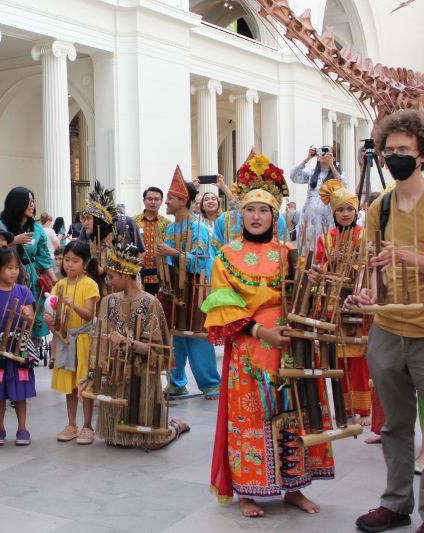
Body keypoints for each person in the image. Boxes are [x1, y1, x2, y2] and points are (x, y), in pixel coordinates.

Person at [206, 156, 333, 517]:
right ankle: (248, 491)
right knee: (249, 419)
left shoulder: (289, 253)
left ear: (275, 214)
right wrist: (262, 331)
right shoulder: (226, 257)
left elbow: (306, 297)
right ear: (240, 215)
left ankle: (294, 488)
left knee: (293, 414)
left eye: (264, 210)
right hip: (249, 349)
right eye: (251, 210)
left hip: (289, 346)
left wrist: (315, 284)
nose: (257, 216)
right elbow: (222, 307)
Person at [354, 109, 424, 533]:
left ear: (421, 155)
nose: (395, 157)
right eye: (390, 150)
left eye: (404, 150)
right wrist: (367, 291)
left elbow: (399, 257)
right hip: (388, 329)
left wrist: (411, 257)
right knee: (395, 424)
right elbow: (371, 268)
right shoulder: (379, 208)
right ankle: (396, 503)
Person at [83, 237, 190, 450]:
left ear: (124, 275)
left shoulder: (150, 303)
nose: (109, 281)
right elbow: (99, 342)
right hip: (115, 375)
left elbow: (158, 350)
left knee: (152, 442)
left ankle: (175, 426)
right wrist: (93, 375)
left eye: (112, 276)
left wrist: (128, 342)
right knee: (114, 440)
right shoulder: (108, 301)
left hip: (142, 376)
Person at [311, 181, 371, 424]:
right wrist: (327, 266)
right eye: (340, 210)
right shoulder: (326, 238)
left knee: (359, 355)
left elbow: (368, 265)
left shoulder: (364, 235)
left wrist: (353, 263)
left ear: (356, 212)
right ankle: (344, 406)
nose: (345, 214)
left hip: (357, 298)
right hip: (333, 300)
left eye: (349, 209)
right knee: (338, 355)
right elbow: (319, 266)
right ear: (333, 213)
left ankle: (364, 410)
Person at [158, 169, 220, 399]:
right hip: (174, 287)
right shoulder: (170, 228)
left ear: (183, 200)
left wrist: (173, 252)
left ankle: (211, 383)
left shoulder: (198, 228)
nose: (166, 202)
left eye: (170, 198)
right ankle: (176, 382)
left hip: (196, 288)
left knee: (197, 335)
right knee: (175, 336)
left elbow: (203, 261)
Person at [0, 247, 37, 446]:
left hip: (17, 346)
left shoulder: (24, 292)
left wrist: (26, 316)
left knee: (20, 390)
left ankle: (23, 427)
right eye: (8, 268)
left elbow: (30, 320)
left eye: (16, 267)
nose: (13, 272)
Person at [45, 240, 100, 445]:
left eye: (75, 261)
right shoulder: (59, 285)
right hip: (66, 339)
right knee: (69, 384)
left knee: (84, 383)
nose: (69, 265)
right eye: (66, 260)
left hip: (84, 339)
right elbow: (54, 315)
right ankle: (71, 423)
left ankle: (87, 426)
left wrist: (72, 305)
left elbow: (87, 315)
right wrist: (50, 322)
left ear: (85, 263)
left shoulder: (90, 284)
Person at [0, 187, 56, 342]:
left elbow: (43, 255)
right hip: (8, 276)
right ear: (17, 203)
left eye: (33, 201)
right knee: (12, 314)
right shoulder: (1, 225)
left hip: (32, 277)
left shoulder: (36, 228)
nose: (32, 205)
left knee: (34, 315)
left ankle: (31, 355)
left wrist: (55, 281)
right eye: (28, 201)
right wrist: (13, 241)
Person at [290, 144, 349, 251]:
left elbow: (343, 186)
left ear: (333, 157)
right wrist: (308, 158)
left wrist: (332, 165)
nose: (323, 154)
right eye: (321, 152)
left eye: (327, 152)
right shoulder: (312, 173)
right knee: (306, 246)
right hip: (308, 216)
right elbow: (294, 176)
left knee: (323, 244)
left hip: (326, 216)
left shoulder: (339, 174)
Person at [134, 186, 171, 296]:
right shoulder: (133, 222)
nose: (153, 202)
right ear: (144, 200)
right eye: (150, 199)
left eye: (156, 199)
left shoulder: (167, 224)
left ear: (161, 202)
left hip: (160, 275)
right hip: (137, 273)